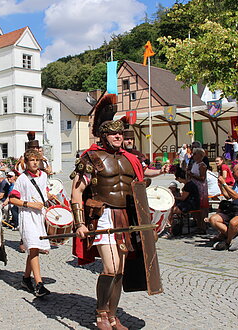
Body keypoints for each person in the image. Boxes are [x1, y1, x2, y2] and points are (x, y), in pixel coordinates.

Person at [70, 94, 146, 330]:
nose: (118, 137)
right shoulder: (91, 158)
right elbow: (76, 192)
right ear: (103, 135)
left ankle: (113, 316)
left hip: (125, 217)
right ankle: (101, 313)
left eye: (121, 133)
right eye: (114, 134)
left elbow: (138, 188)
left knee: (120, 271)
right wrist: (79, 223)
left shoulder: (130, 160)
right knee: (111, 268)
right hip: (102, 217)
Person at [9, 148, 52, 297]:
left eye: (37, 160)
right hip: (27, 216)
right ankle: (39, 284)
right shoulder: (22, 179)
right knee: (33, 247)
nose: (35, 163)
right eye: (32, 160)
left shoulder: (44, 176)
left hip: (40, 216)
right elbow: (12, 199)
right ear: (26, 163)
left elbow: (44, 192)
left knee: (34, 249)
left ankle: (26, 279)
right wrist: (30, 204)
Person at [208, 164, 238, 251]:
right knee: (213, 219)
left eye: (233, 172)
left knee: (233, 223)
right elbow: (228, 196)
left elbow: (237, 196)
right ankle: (233, 236)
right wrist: (221, 186)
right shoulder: (237, 183)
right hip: (233, 207)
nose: (232, 173)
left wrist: (224, 184)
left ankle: (228, 241)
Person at [163, 169, 200, 238]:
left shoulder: (188, 186)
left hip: (190, 205)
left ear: (179, 178)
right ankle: (170, 226)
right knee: (172, 209)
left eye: (177, 178)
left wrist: (174, 197)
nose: (177, 180)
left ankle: (170, 228)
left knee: (171, 211)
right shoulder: (190, 184)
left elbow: (183, 198)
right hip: (193, 203)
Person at [187, 148, 208, 234]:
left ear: (200, 155)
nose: (193, 156)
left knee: (201, 208)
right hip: (194, 186)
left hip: (200, 188)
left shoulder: (202, 165)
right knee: (196, 207)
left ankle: (202, 226)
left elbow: (202, 178)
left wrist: (192, 175)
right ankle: (198, 225)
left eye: (195, 154)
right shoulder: (195, 164)